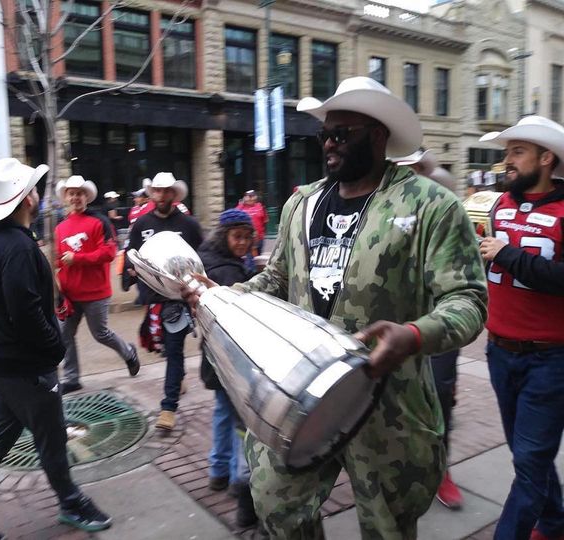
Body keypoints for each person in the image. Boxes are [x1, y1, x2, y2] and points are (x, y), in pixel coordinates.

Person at [183, 77, 487, 539]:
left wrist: (415, 335)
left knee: (388, 524)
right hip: (298, 397)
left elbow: (467, 299)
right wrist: (222, 297)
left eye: (343, 134)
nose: (329, 143)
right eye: (325, 133)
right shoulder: (301, 204)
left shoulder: (430, 205)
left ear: (378, 135)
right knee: (278, 505)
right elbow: (278, 279)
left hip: (389, 404)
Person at [0, 158, 112, 540]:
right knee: (51, 437)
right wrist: (54, 350)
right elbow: (25, 310)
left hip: (3, 362)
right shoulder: (16, 246)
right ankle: (70, 501)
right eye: (34, 188)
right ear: (27, 199)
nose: (39, 192)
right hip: (25, 366)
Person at [478, 115, 564, 540]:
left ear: (546, 158)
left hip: (549, 360)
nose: (506, 161)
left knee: (529, 465)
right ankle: (554, 521)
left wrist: (507, 254)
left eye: (517, 152)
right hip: (498, 352)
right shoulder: (498, 204)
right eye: (507, 152)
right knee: (529, 455)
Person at [396, 148, 464, 510]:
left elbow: (464, 291)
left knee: (439, 396)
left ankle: (440, 469)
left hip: (436, 330)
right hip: (394, 323)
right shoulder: (388, 211)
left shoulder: (450, 219)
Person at [126, 172, 203, 431]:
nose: (161, 195)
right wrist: (131, 270)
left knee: (174, 350)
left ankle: (168, 408)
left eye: (166, 191)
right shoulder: (140, 225)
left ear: (173, 194)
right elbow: (131, 254)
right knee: (163, 347)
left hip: (179, 300)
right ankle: (177, 377)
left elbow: (202, 257)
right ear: (152, 194)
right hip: (153, 298)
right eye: (157, 190)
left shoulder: (189, 225)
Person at [198, 208, 258, 528]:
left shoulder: (209, 260)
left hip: (212, 353)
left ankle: (217, 471)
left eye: (248, 237)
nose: (244, 243)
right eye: (238, 236)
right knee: (239, 420)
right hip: (231, 355)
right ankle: (238, 478)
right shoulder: (228, 272)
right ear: (225, 236)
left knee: (223, 412)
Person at [55, 176, 140, 396]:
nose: (75, 197)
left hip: (95, 293)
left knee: (100, 333)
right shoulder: (60, 227)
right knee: (64, 335)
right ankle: (72, 378)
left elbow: (109, 253)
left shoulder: (100, 222)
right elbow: (57, 260)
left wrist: (77, 258)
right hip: (69, 294)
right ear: (66, 197)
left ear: (86, 197)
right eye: (71, 193)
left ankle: (129, 353)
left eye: (79, 193)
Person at [236, 190, 268, 256]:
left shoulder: (260, 207)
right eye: (248, 196)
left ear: (256, 197)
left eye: (252, 196)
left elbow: (265, 221)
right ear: (244, 198)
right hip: (246, 238)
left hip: (259, 238)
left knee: (258, 257)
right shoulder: (240, 208)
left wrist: (262, 234)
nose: (250, 198)